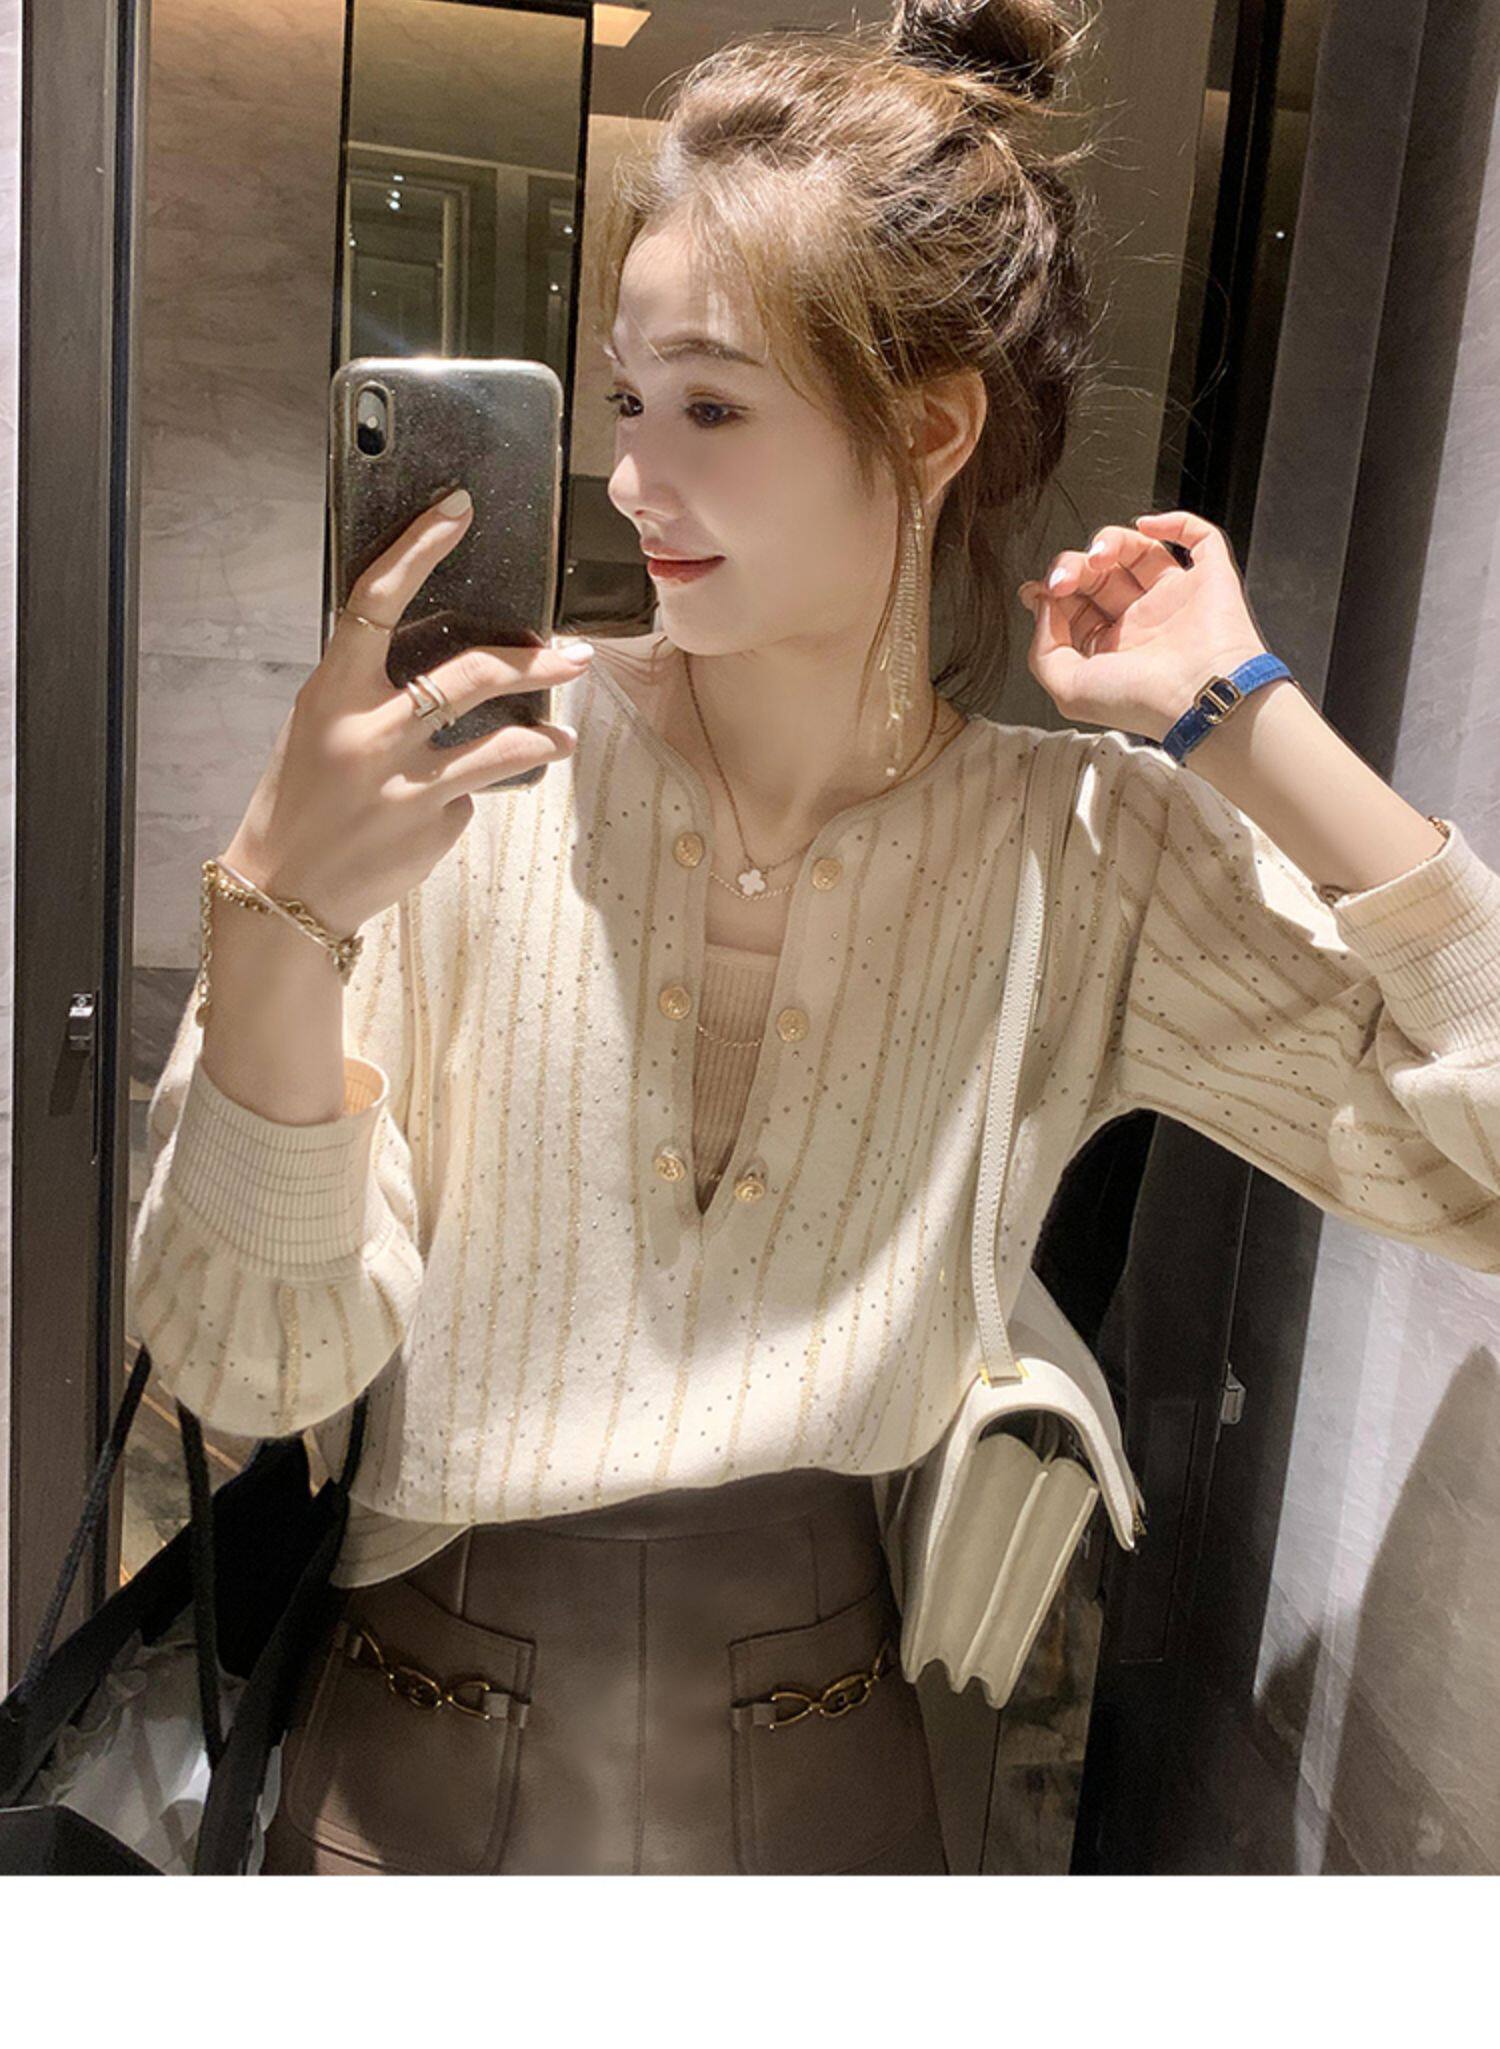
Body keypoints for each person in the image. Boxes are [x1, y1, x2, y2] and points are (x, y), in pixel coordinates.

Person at [125, 0, 1500, 1876]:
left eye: (710, 407)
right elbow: (249, 1371)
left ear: (926, 428)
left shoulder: (1078, 854)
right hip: (402, 1780)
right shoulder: (472, 779)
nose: (632, 476)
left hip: (829, 1788)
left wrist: (1249, 722)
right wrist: (281, 911)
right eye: (626, 399)